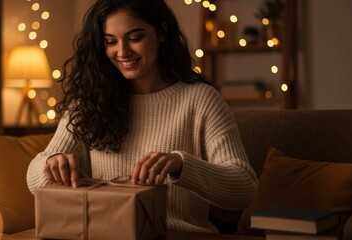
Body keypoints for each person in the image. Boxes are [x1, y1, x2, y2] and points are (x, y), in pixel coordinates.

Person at [27, 0, 257, 233]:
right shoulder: (90, 102)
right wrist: (50, 163)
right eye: (110, 42)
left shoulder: (200, 99)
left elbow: (245, 187)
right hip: (106, 235)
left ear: (162, 32)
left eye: (135, 38)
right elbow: (34, 179)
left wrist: (181, 166)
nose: (122, 52)